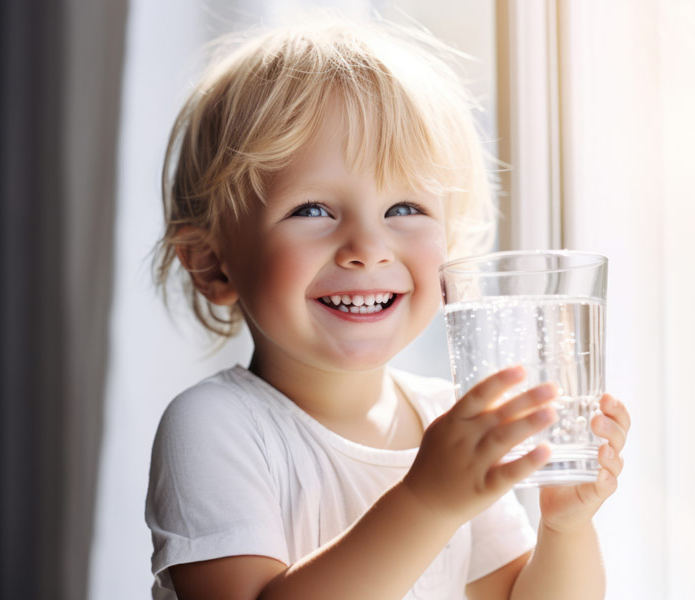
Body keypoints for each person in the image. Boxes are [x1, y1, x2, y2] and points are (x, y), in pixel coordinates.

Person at [145, 16, 630, 600]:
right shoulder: (213, 427)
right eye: (312, 210)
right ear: (213, 265)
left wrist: (566, 526)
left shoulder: (443, 421)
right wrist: (427, 501)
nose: (368, 250)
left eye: (404, 208)